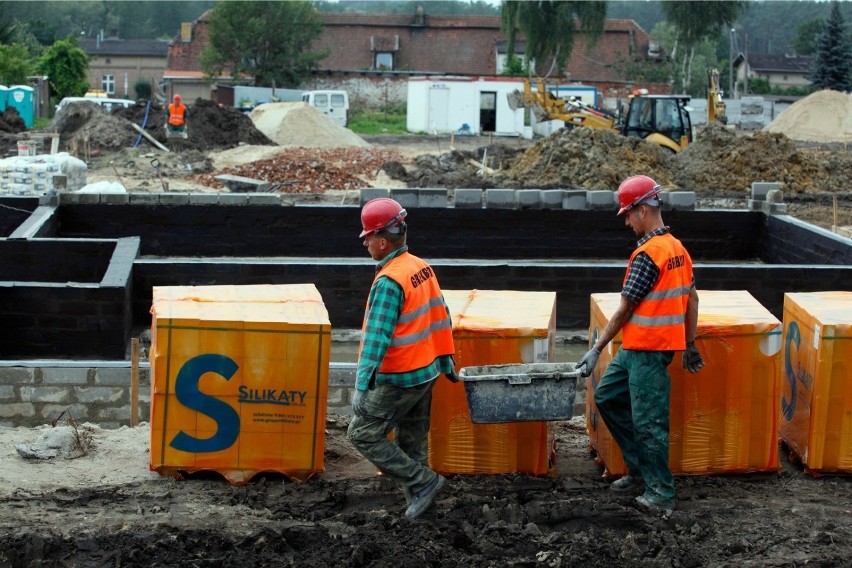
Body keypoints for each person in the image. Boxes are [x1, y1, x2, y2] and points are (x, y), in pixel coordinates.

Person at [577, 174, 705, 514]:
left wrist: (596, 349)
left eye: (629, 214)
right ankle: (638, 469)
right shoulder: (678, 249)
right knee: (607, 396)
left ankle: (660, 493)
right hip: (636, 350)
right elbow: (692, 300)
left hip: (647, 353)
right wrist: (688, 343)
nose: (627, 222)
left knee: (650, 424)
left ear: (644, 210)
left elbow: (623, 311)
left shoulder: (648, 255)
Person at [347, 197, 458, 520]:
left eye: (367, 237)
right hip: (426, 371)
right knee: (412, 440)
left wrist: (362, 386)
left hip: (401, 375)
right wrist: (446, 362)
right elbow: (442, 316)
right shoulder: (420, 267)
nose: (365, 242)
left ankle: (423, 482)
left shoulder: (389, 281)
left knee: (362, 434)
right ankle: (423, 502)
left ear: (383, 241)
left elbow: (375, 339)